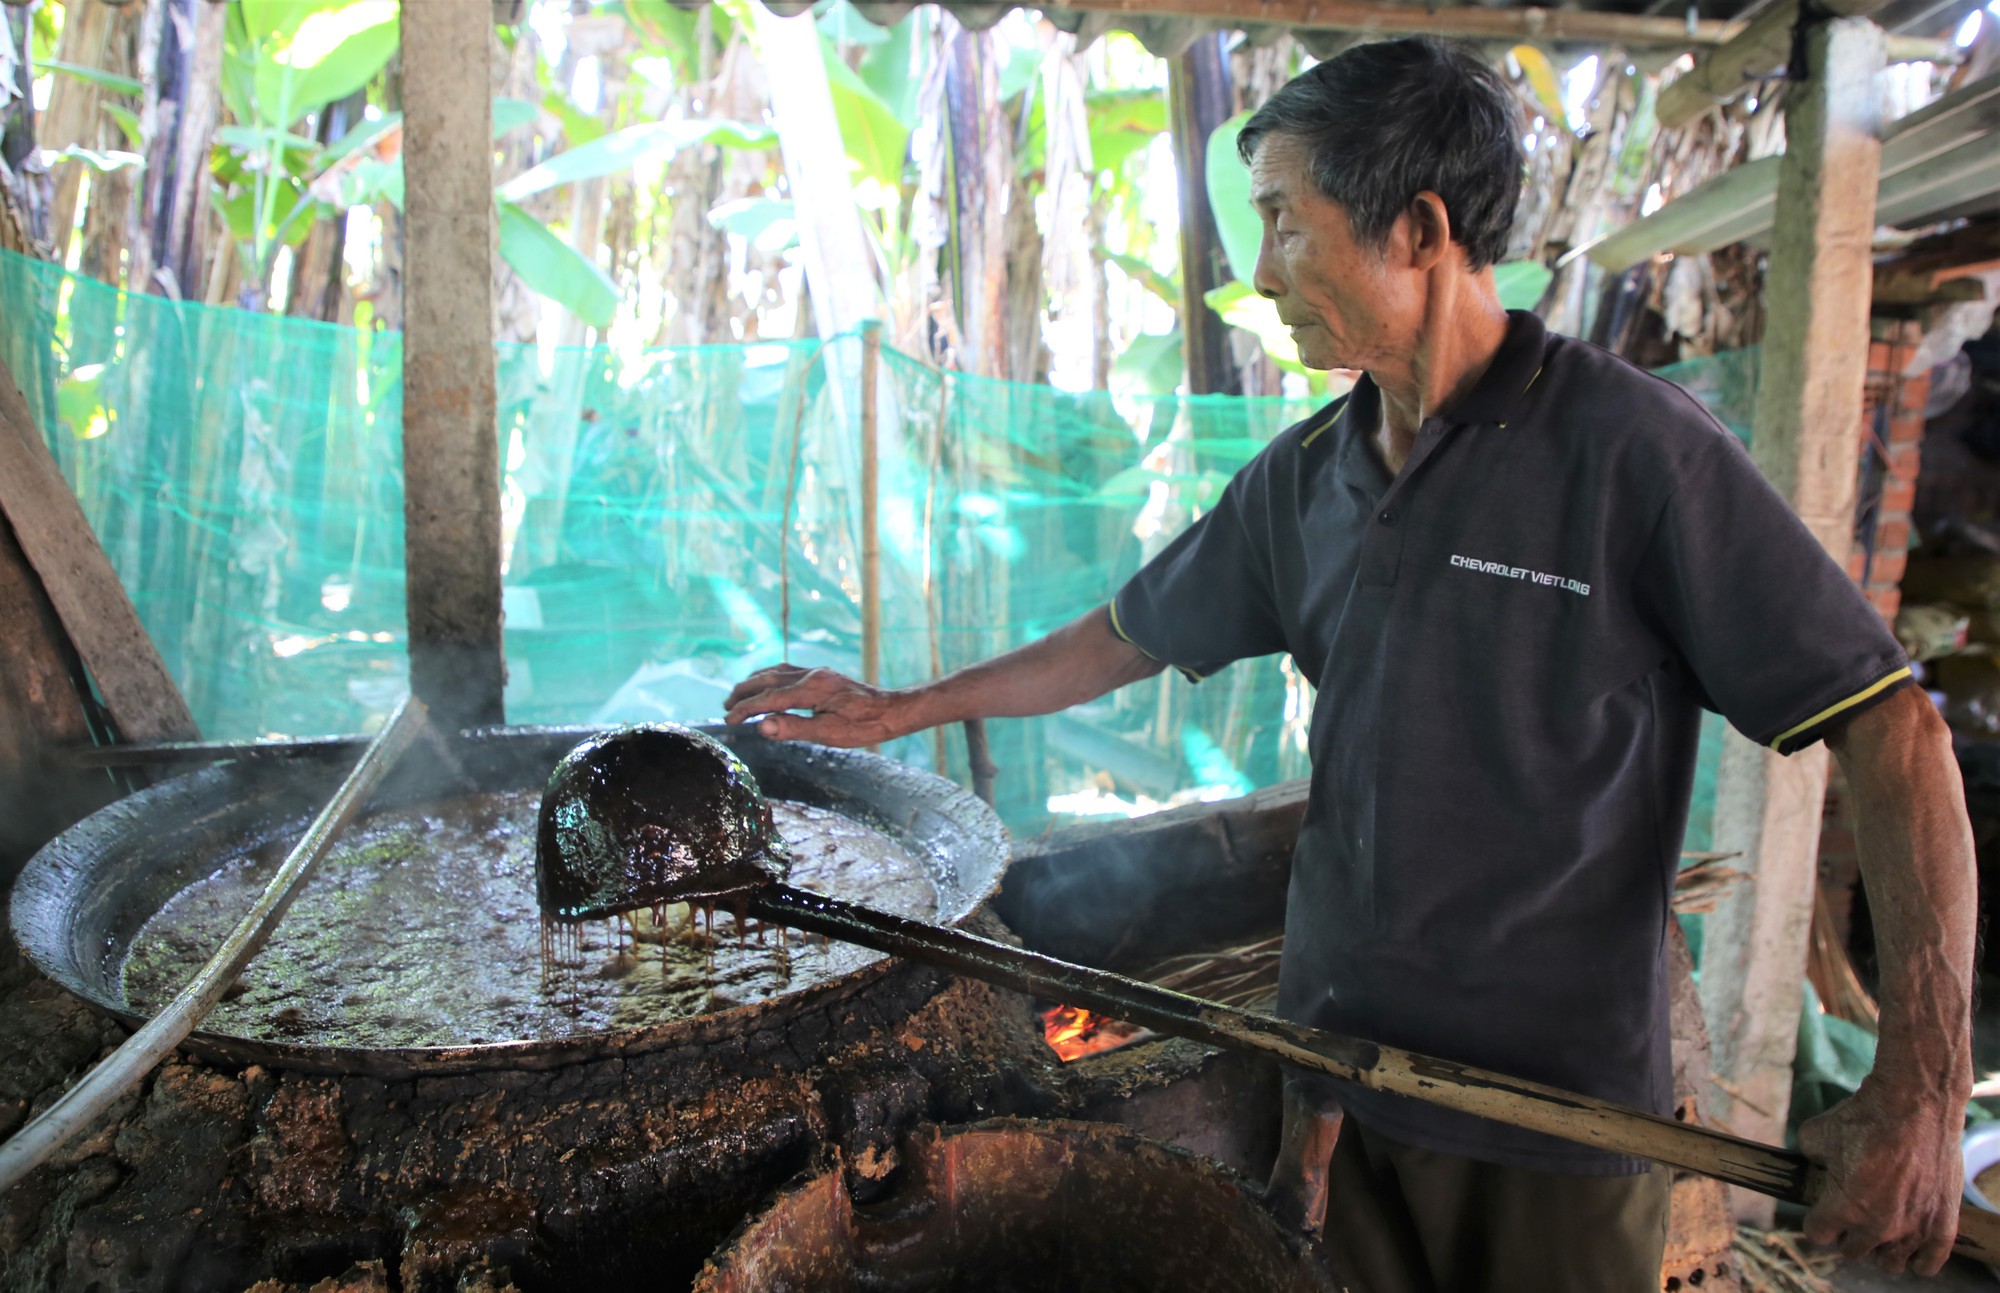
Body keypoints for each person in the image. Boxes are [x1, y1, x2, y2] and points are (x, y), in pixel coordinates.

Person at [726, 37, 1975, 1291]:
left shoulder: (1632, 455)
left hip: (1553, 1129)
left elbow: (1890, 728)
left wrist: (1918, 1091)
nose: (1258, 269)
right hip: (1342, 1084)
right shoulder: (1308, 474)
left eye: (1283, 221)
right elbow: (1122, 636)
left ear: (1418, 230)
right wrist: (902, 710)